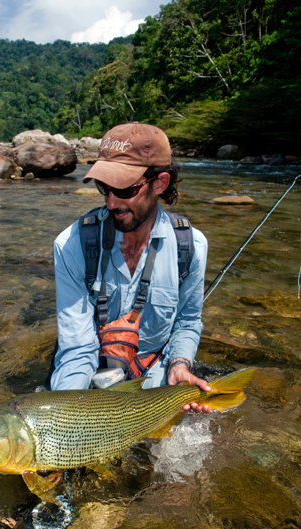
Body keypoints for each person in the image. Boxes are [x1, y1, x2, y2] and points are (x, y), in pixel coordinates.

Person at [50, 122, 211, 411]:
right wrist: (67, 414)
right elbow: (76, 349)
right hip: (91, 376)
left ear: (160, 183)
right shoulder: (71, 245)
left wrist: (180, 362)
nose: (111, 202)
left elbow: (187, 322)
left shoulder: (190, 247)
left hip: (155, 375)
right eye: (105, 187)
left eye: (125, 189)